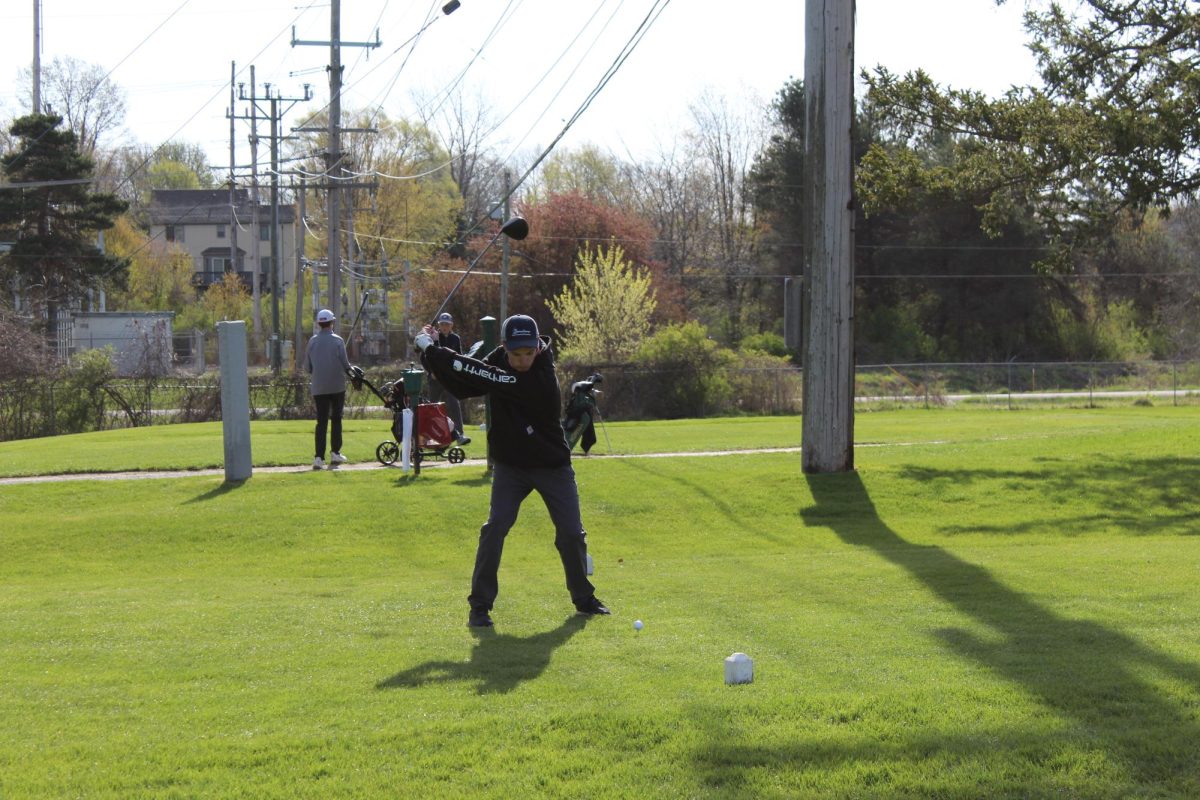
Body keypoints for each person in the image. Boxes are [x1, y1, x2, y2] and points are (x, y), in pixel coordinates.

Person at [415, 313, 610, 627]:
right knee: (494, 529)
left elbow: (477, 372)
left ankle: (584, 598)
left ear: (537, 348)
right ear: (505, 347)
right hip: (511, 467)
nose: (523, 360)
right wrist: (428, 351)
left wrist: (431, 348)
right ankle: (479, 607)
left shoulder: (540, 378)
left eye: (528, 353)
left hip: (551, 466)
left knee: (571, 533)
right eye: (516, 354)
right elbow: (463, 383)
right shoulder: (500, 363)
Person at [305, 308, 353, 470]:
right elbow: (346, 366)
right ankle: (335, 452)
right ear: (332, 322)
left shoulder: (312, 342)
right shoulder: (338, 341)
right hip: (337, 385)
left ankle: (319, 457)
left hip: (319, 387)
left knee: (321, 422)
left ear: (319, 324)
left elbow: (307, 367)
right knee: (336, 419)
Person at [427, 312, 471, 446]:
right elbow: (427, 357)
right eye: (442, 324)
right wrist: (432, 371)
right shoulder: (433, 337)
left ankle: (460, 434)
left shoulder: (455, 339)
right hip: (435, 378)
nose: (444, 327)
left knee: (454, 404)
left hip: (450, 378)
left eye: (447, 324)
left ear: (451, 326)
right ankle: (428, 434)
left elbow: (459, 357)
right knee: (431, 406)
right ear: (439, 325)